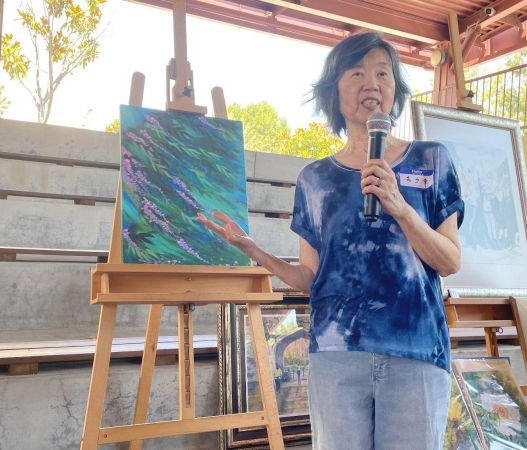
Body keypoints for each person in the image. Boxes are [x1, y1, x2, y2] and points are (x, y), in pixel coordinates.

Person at [198, 31, 463, 450]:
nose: (371, 83)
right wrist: (254, 251)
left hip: (416, 351)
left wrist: (399, 206)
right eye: (356, 72)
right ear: (333, 92)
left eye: (383, 73)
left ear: (395, 88)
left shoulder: (432, 159)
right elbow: (309, 277)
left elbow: (449, 261)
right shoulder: (315, 179)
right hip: (336, 355)